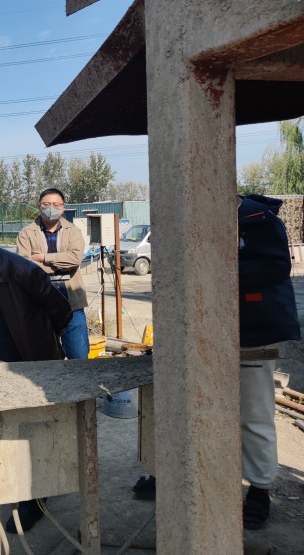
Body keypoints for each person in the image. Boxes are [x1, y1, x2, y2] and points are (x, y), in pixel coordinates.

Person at [133, 195, 300, 530]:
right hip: (197, 332)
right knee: (191, 410)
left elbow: (276, 266)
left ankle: (260, 490)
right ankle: (177, 476)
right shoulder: (188, 216)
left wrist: (213, 265)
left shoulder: (257, 218)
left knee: (253, 415)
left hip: (251, 332)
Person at [0, 227, 72, 533]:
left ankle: (34, 502)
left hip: (35, 365)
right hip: (1, 363)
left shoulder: (24, 271)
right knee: (11, 431)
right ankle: (21, 490)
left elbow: (61, 311)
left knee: (36, 433)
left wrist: (42, 343)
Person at [16, 188, 90, 359]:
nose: (51, 208)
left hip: (72, 302)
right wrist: (61, 263)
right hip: (40, 303)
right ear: (39, 207)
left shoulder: (73, 231)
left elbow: (75, 260)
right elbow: (25, 266)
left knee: (79, 357)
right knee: (44, 359)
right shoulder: (26, 233)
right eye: (47, 204)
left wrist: (43, 258)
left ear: (63, 207)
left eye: (56, 205)